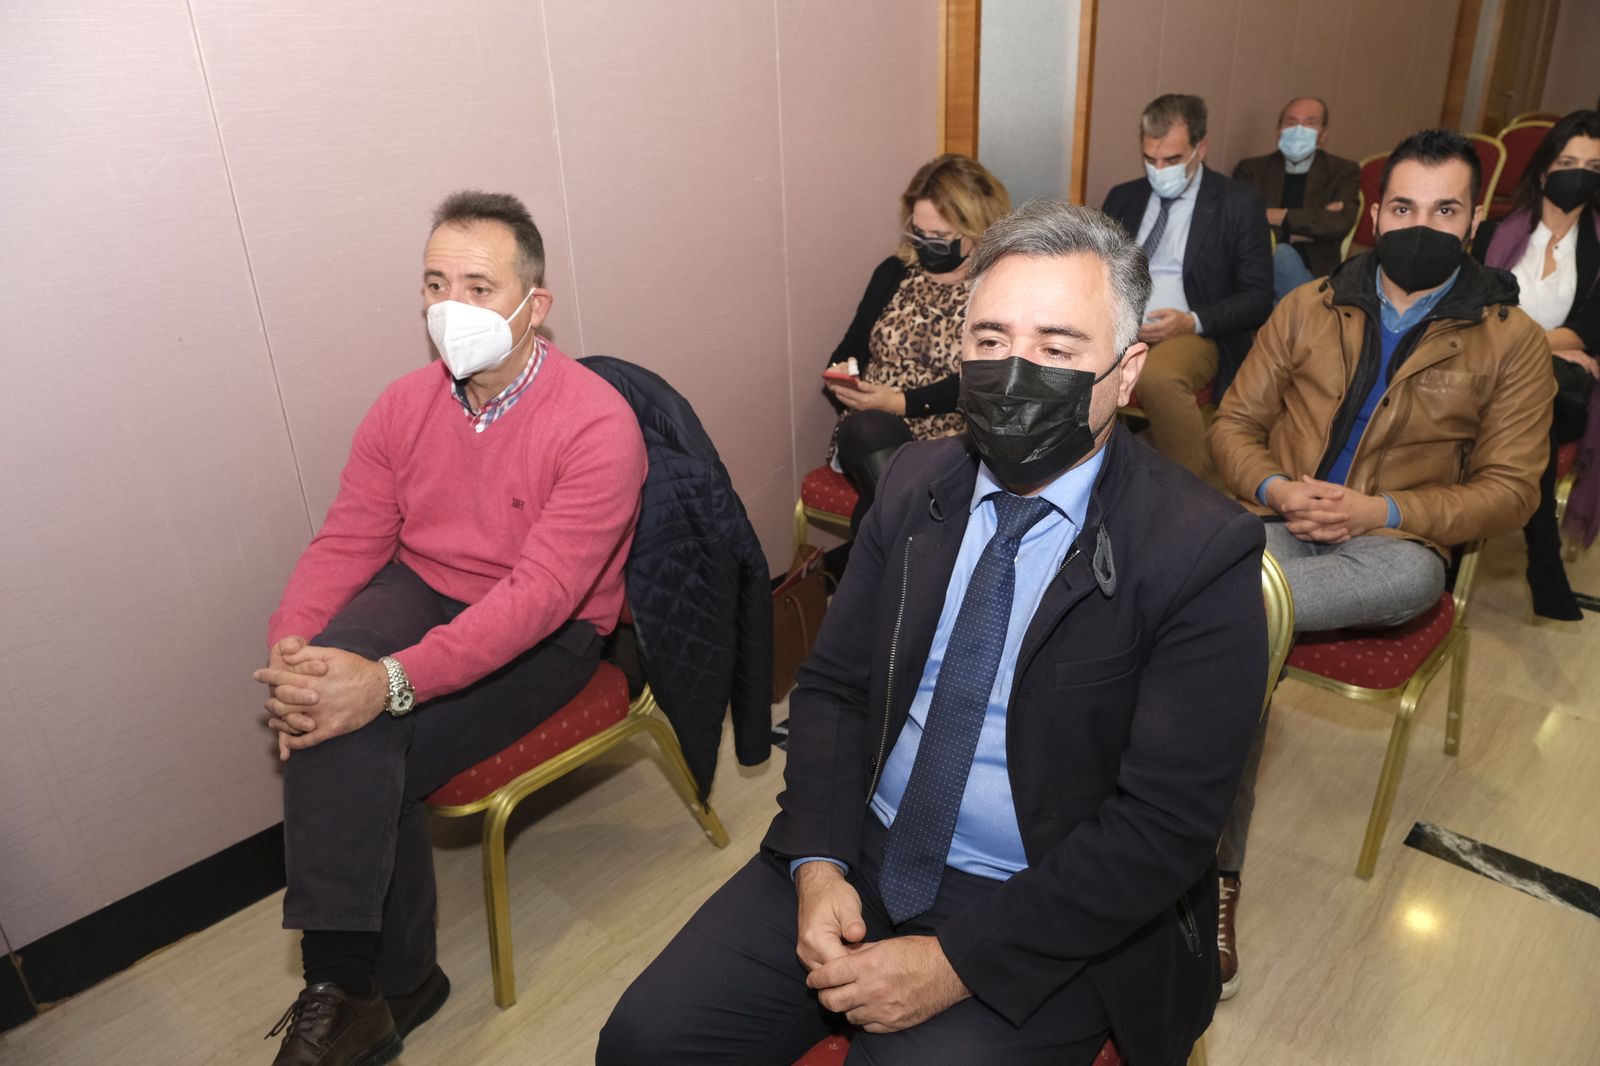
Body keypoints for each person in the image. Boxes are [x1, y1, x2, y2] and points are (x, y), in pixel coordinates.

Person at [599, 200, 1268, 1066]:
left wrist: (959, 964)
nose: (1016, 370)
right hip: (864, 845)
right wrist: (817, 862)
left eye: (1058, 349)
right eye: (990, 341)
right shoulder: (916, 483)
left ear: (1127, 372)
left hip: (1043, 903)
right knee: (647, 1041)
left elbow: (1164, 828)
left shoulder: (1199, 549)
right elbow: (837, 688)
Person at [251, 191, 647, 1066]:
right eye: (436, 284)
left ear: (532, 307)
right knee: (329, 707)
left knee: (359, 730)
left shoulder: (597, 424)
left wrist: (387, 683)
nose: (451, 307)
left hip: (552, 633)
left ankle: (369, 987)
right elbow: (349, 537)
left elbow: (541, 597)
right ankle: (359, 991)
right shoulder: (404, 405)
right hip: (424, 587)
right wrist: (295, 650)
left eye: (477, 284)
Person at [1208, 129, 1554, 999]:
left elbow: (1512, 492)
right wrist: (1280, 487)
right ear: (1375, 211)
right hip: (1275, 518)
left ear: (1476, 220)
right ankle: (1201, 866)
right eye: (1403, 207)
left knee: (1224, 616)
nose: (1421, 224)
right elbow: (1231, 425)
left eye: (1445, 209)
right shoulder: (1311, 304)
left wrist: (1384, 512)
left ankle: (1206, 873)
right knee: (1229, 617)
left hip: (1394, 548)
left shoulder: (1513, 342)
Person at [823, 154, 1011, 529]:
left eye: (940, 237)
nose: (926, 246)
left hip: (956, 433)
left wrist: (901, 402)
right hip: (874, 431)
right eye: (919, 234)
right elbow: (847, 351)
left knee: (884, 505)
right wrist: (844, 376)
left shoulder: (1000, 286)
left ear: (978, 227)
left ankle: (890, 566)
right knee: (867, 430)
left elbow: (993, 377)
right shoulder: (893, 272)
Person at [1101, 93, 1273, 483]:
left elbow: (1258, 296)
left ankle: (1196, 494)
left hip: (1196, 330)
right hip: (1122, 326)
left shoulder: (1237, 203)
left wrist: (1190, 322)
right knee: (1061, 361)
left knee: (1157, 377)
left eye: (1172, 160)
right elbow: (1099, 269)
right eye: (1150, 159)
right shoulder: (1123, 197)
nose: (1159, 170)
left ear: (1201, 148)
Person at [1474, 109, 1600, 620]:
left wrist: (1526, 345)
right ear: (1545, 169)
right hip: (1487, 377)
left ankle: (1536, 554)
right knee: (1531, 397)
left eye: (1593, 166)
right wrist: (1547, 345)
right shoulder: (1493, 236)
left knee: (1535, 393)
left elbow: (1592, 329)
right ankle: (1543, 561)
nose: (1579, 173)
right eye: (1569, 161)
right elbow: (1473, 312)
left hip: (1564, 393)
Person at [1231, 96, 1361, 301]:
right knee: (1279, 256)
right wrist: (1305, 228)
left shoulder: (1343, 171)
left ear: (1323, 135)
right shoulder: (1251, 170)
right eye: (1291, 122)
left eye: (1310, 123)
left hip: (1314, 271)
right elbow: (1239, 223)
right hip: (1257, 265)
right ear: (1278, 129)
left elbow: (1340, 222)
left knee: (1282, 257)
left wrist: (1276, 216)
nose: (1299, 130)